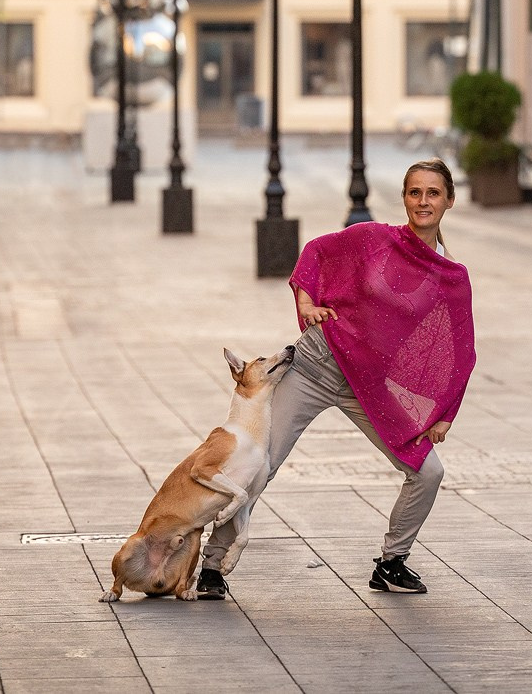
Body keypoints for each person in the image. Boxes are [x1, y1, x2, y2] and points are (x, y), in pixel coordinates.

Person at [196, 157, 476, 598]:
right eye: (414, 192)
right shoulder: (374, 238)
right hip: (316, 364)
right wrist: (307, 304)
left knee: (428, 473)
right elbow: (316, 254)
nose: (423, 202)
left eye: (433, 193)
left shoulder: (451, 278)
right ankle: (210, 567)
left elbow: (459, 353)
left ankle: (391, 562)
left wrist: (444, 413)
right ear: (404, 197)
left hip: (373, 388)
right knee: (258, 467)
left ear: (450, 201)